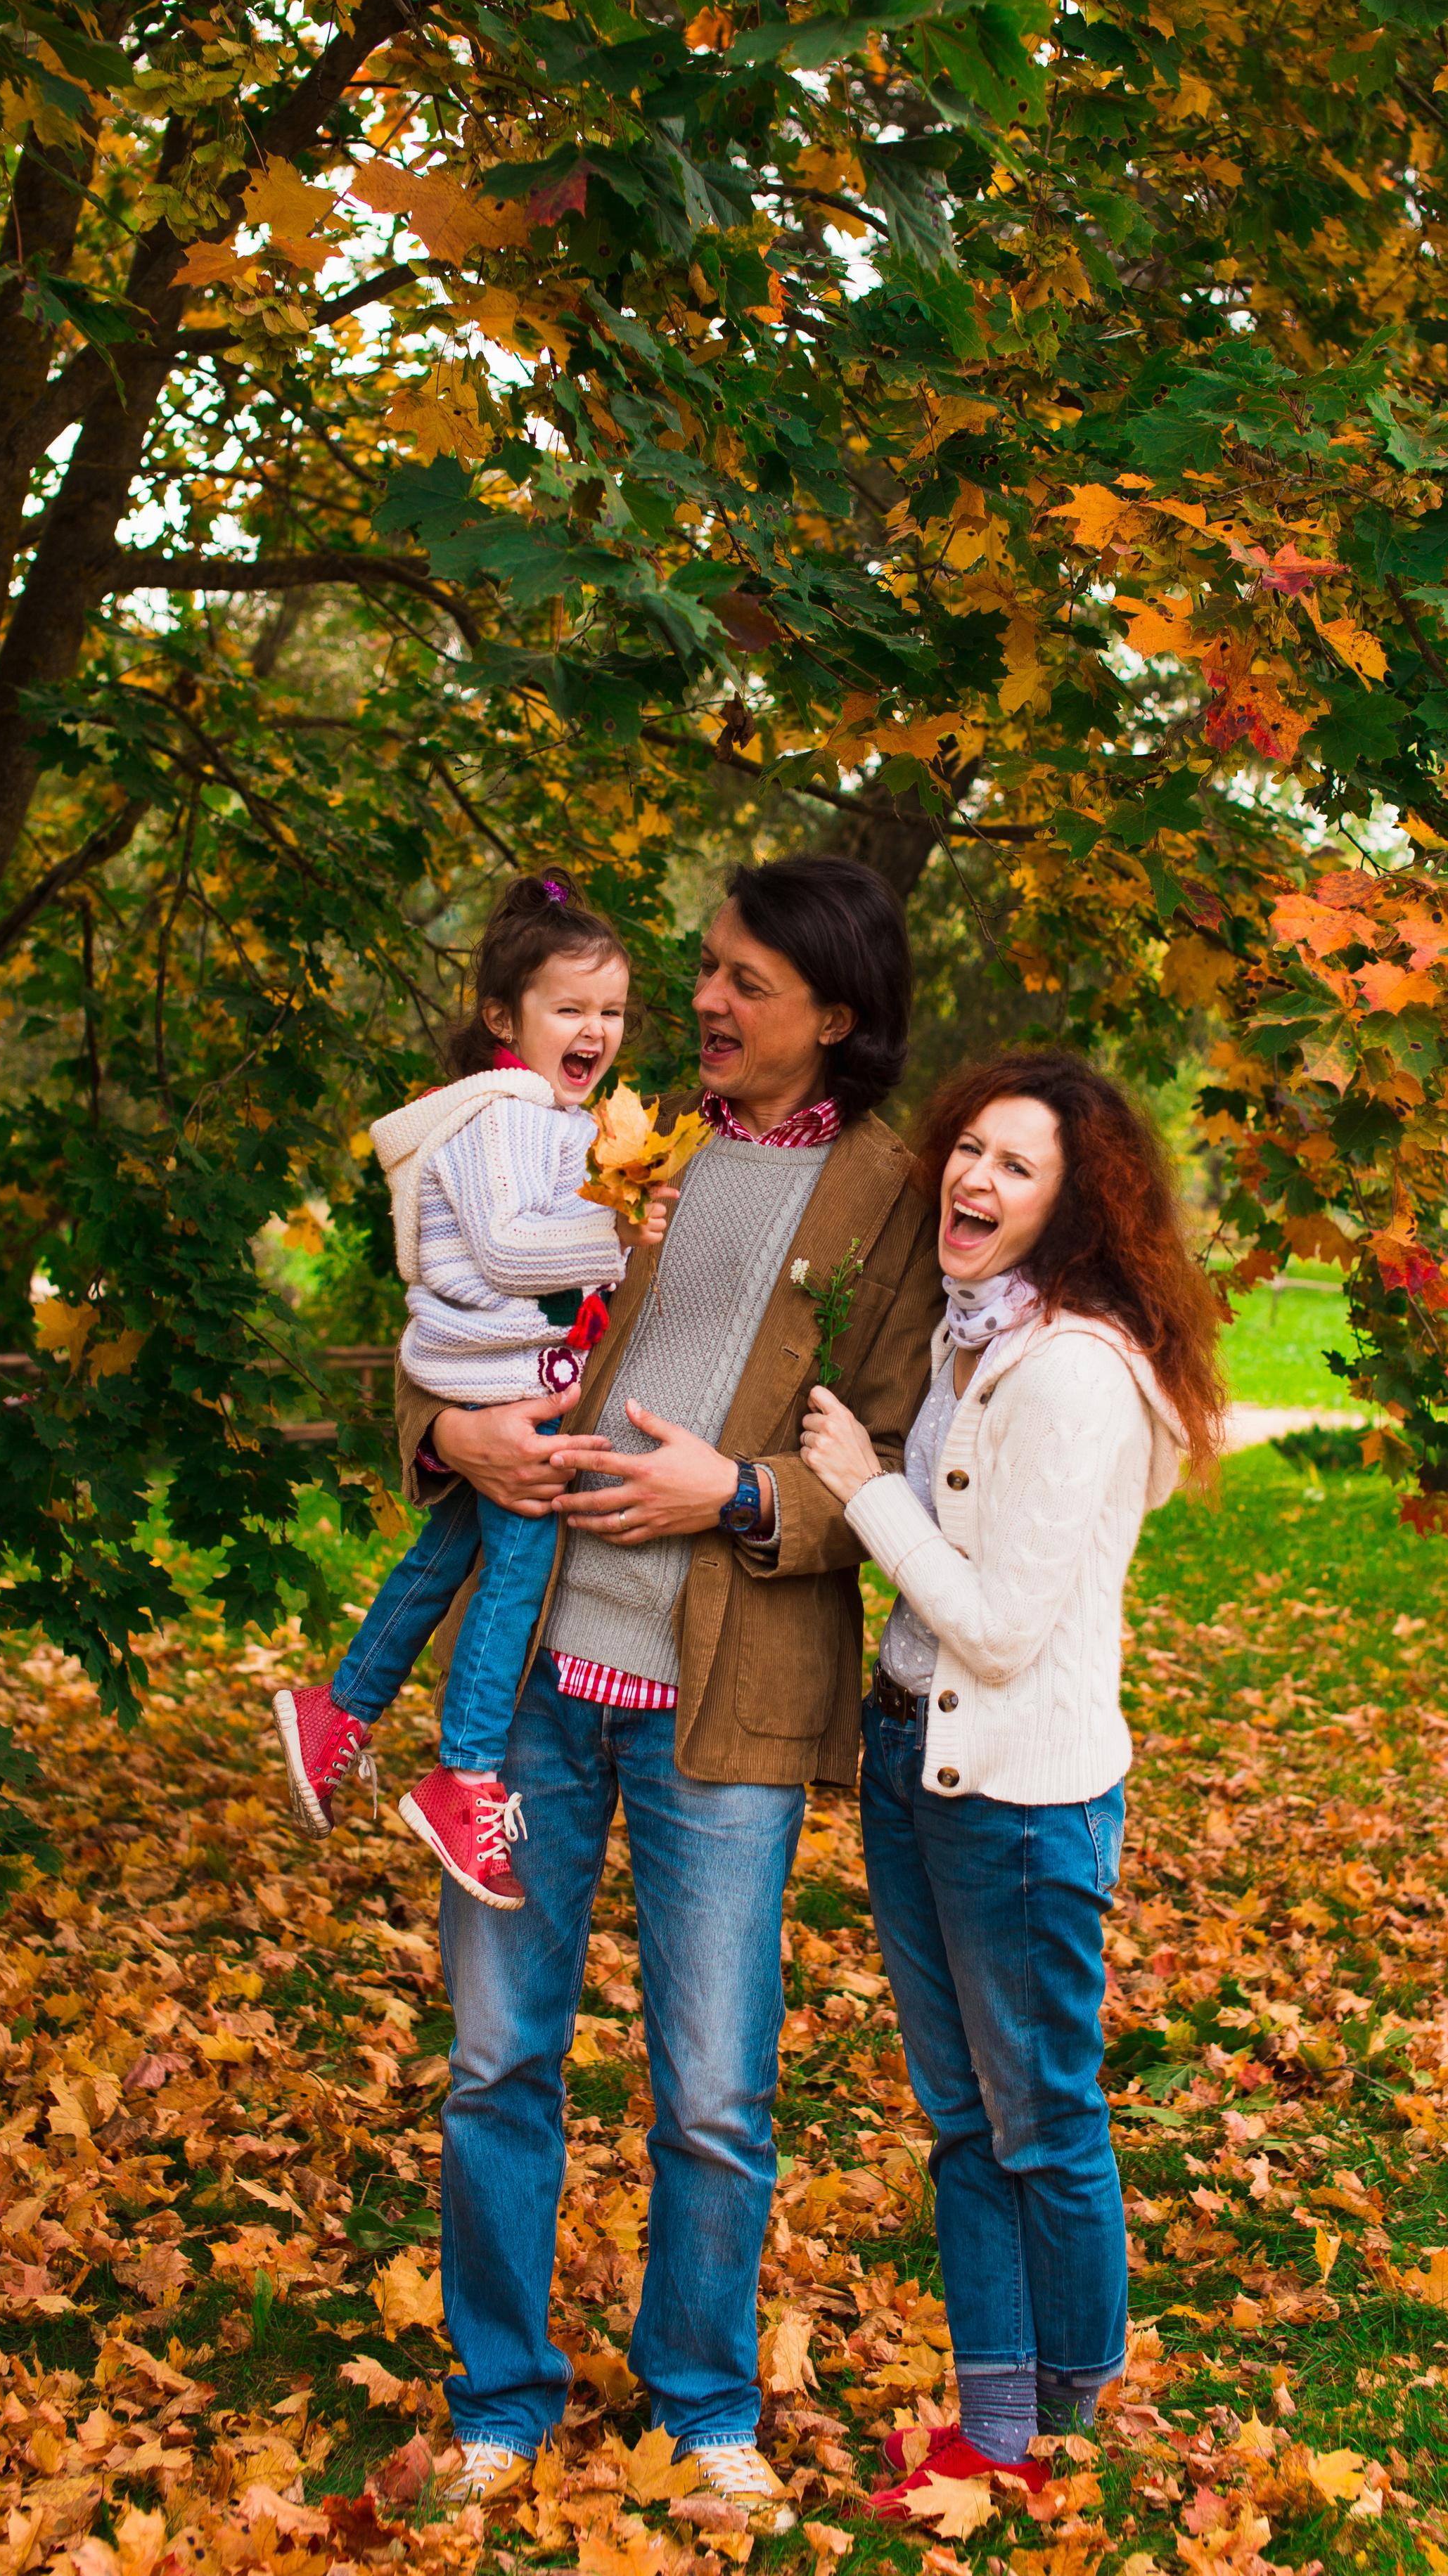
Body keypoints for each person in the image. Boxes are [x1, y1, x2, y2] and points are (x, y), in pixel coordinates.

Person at [392, 854, 944, 2518]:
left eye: (741, 981)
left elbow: (900, 1459)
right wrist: (451, 1433)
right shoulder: (604, 1137)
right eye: (701, 968)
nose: (701, 1000)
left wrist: (741, 1495)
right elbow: (450, 1320)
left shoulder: (890, 1195)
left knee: (711, 2092)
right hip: (530, 1683)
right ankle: (499, 2399)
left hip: (725, 1699)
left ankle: (702, 2404)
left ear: (830, 1016)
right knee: (496, 2061)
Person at [798, 1052, 1225, 2512]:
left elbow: (994, 1629)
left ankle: (1071, 2421)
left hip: (1018, 1803)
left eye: (1016, 1165)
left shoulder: (1073, 1373)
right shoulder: (972, 1334)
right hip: (913, 1762)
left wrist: (862, 1488)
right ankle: (994, 2427)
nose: (974, 1180)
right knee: (962, 2120)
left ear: (1072, 1206)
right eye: (969, 1149)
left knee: (1040, 2118)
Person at [271, 870, 674, 1908]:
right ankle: (466, 1773)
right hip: (492, 1375)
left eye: (612, 1011)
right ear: (504, 1019)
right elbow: (506, 1248)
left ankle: (338, 1710)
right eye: (570, 1009)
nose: (596, 1031)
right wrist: (619, 1231)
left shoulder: (550, 1114)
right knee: (519, 1565)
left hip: (497, 1373)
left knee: (446, 1551)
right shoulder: (505, 1113)